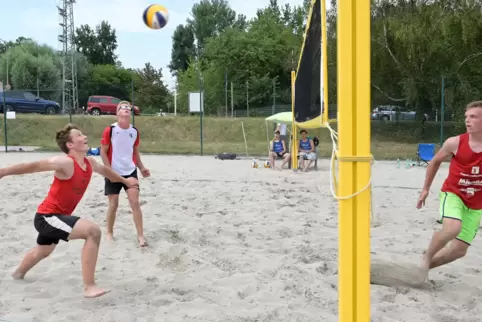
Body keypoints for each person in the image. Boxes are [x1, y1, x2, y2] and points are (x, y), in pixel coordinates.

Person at [0, 124, 139, 298]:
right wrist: (4, 171)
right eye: (79, 135)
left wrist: (126, 182)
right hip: (47, 217)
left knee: (42, 251)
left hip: (56, 217)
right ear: (70, 145)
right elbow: (34, 166)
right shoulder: (65, 162)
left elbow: (107, 172)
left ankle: (17, 274)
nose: (85, 136)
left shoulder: (89, 162)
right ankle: (89, 286)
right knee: (93, 232)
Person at [417, 100, 482, 281]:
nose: (467, 120)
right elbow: (435, 161)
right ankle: (426, 257)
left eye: (473, 117)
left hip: (476, 203)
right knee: (452, 228)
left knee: (459, 250)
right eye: (466, 117)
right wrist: (425, 189)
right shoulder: (455, 142)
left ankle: (422, 269)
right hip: (453, 193)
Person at [100, 101, 150, 247]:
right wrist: (108, 170)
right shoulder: (110, 130)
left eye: (128, 108)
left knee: (135, 202)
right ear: (117, 113)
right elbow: (103, 151)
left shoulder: (134, 131)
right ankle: (109, 232)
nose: (126, 109)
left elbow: (134, 151)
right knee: (113, 204)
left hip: (130, 171)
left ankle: (140, 235)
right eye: (123, 107)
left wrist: (141, 167)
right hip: (113, 171)